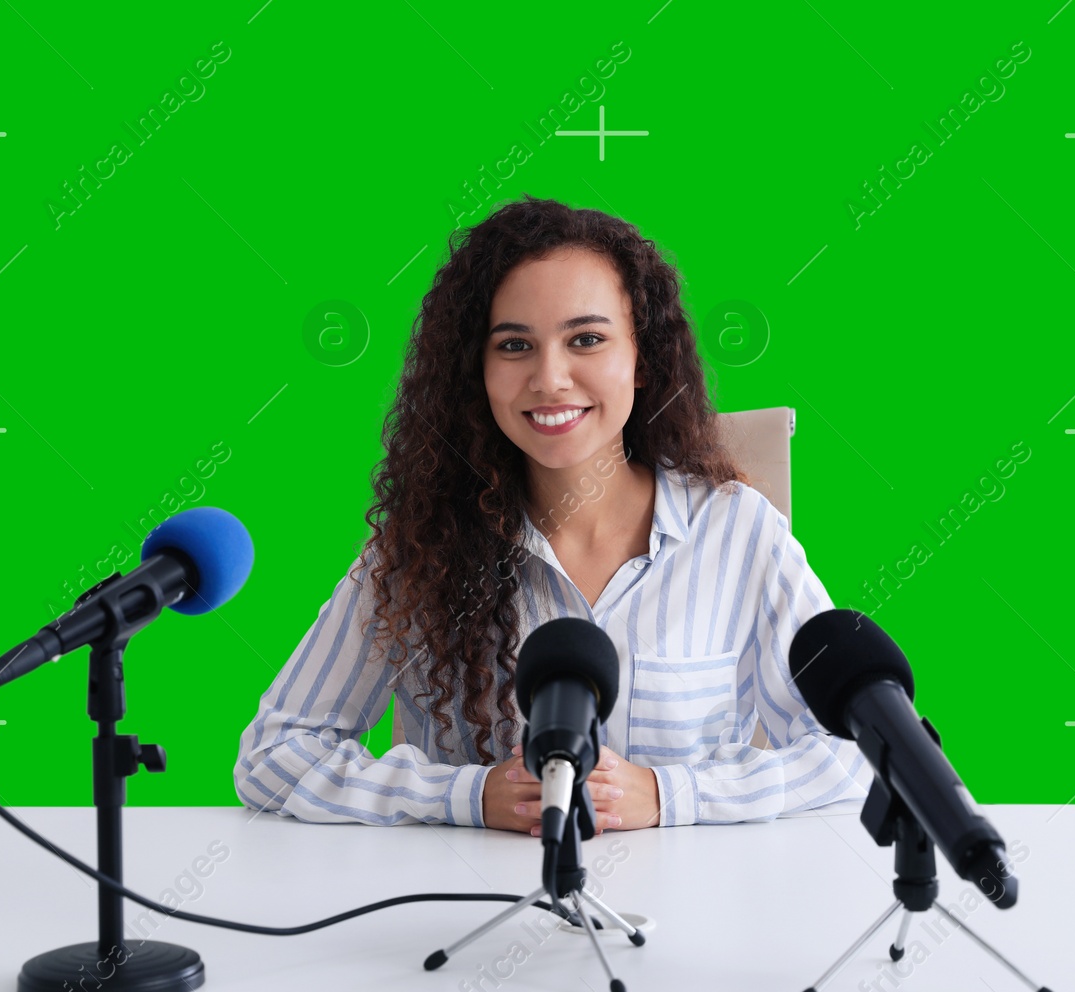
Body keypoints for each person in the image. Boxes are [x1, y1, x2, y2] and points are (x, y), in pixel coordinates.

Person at [235, 195, 873, 834]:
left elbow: (854, 752)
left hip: (685, 915)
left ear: (643, 359)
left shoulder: (740, 532)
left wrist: (668, 794)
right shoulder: (423, 543)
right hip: (469, 909)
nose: (550, 378)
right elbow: (273, 753)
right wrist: (467, 796)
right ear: (475, 371)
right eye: (514, 345)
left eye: (587, 339)